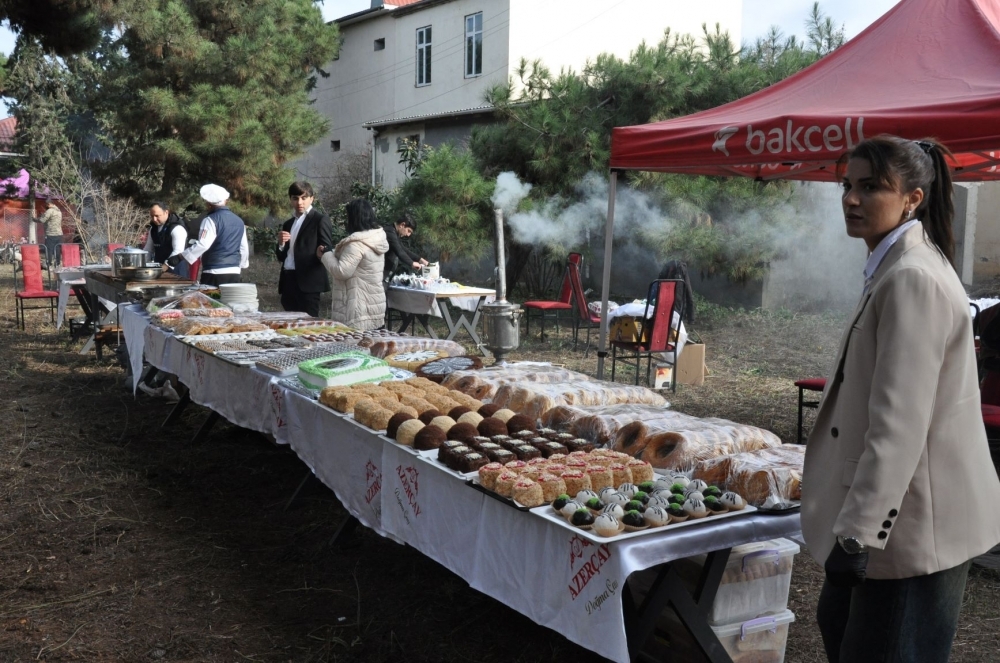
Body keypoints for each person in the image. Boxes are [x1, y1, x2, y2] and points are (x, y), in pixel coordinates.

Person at [802, 135, 1000, 663]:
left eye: (870, 187)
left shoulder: (911, 277)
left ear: (912, 198)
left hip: (911, 523)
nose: (851, 198)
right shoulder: (896, 264)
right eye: (848, 185)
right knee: (838, 624)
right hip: (902, 512)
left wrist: (856, 535)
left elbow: (900, 424)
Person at [317, 198, 388, 330]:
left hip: (358, 308)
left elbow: (342, 271)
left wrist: (325, 255)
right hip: (375, 303)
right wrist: (332, 252)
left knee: (357, 343)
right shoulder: (376, 238)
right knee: (374, 341)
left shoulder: (356, 244)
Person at [166, 184, 249, 286]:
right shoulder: (239, 221)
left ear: (209, 203)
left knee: (211, 297)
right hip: (234, 271)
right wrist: (242, 265)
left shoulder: (210, 220)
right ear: (225, 201)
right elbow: (244, 248)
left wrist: (180, 257)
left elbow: (203, 244)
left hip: (214, 271)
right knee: (229, 297)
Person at [275, 181, 333, 318]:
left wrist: (320, 254)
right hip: (288, 280)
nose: (299, 202)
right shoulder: (288, 224)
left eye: (303, 198)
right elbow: (281, 256)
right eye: (295, 198)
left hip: (309, 282)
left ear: (312, 199)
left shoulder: (320, 220)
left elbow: (326, 248)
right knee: (289, 323)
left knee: (309, 324)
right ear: (290, 199)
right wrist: (281, 244)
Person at [144, 202, 189, 278]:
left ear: (166, 212)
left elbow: (178, 251)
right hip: (159, 271)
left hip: (176, 272)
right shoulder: (153, 229)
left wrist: (165, 266)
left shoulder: (177, 228)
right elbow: (148, 249)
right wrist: (143, 266)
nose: (154, 219)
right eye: (152, 216)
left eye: (157, 216)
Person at [383, 211, 428, 283]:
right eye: (408, 231)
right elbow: (399, 251)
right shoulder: (389, 232)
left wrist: (420, 259)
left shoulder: (393, 232)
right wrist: (412, 263)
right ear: (402, 225)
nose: (408, 235)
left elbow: (403, 249)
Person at [39, 199, 63, 267]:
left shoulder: (49, 211)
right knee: (57, 249)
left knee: (49, 249)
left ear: (49, 204)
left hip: (51, 233)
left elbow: (42, 220)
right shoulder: (59, 211)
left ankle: (49, 263)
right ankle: (58, 263)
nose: (46, 206)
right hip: (59, 233)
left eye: (46, 205)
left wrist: (35, 219)